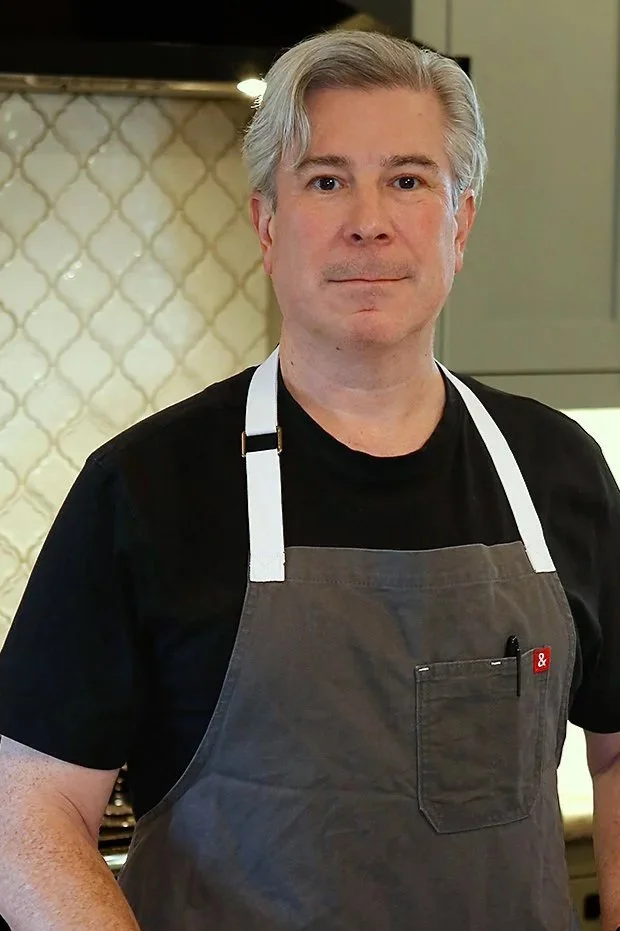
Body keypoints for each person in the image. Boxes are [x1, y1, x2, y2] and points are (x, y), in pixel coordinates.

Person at [0, 27, 619, 931]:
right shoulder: (143, 489)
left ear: (462, 221)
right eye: (326, 180)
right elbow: (25, 809)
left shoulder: (559, 467)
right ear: (267, 223)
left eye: (408, 180)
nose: (369, 218)